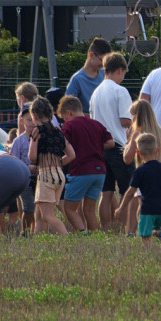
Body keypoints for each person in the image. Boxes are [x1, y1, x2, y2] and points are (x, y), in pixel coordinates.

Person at [89, 52, 134, 230]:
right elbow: (125, 120)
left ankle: (106, 227)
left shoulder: (95, 93)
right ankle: (125, 226)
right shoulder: (120, 91)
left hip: (100, 148)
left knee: (106, 192)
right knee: (127, 191)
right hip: (118, 146)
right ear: (120, 70)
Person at [115, 133, 161, 247]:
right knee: (157, 229)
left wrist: (121, 208)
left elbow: (131, 192)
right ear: (157, 150)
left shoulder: (140, 171)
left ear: (138, 153)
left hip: (147, 209)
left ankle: (150, 254)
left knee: (144, 236)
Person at [59, 95, 113, 232]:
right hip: (99, 171)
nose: (64, 120)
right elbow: (110, 143)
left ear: (68, 112)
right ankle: (94, 236)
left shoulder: (69, 126)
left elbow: (62, 146)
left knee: (69, 208)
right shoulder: (96, 123)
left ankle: (83, 234)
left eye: (64, 117)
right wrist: (95, 148)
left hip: (80, 170)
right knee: (89, 210)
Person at [122, 99, 161, 236]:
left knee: (140, 207)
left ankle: (137, 232)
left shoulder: (138, 134)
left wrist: (128, 140)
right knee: (153, 207)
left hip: (144, 172)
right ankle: (157, 231)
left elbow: (127, 159)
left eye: (132, 116)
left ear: (137, 116)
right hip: (159, 172)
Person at [27, 97, 74, 235]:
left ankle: (67, 239)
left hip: (46, 175)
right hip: (59, 175)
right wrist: (57, 165)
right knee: (40, 213)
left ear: (34, 115)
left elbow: (32, 157)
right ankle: (39, 240)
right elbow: (72, 155)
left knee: (48, 216)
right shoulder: (59, 132)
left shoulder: (37, 131)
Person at [9, 104, 39, 233]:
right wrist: (27, 167)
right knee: (28, 207)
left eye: (33, 119)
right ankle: (25, 232)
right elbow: (14, 161)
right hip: (25, 179)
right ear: (21, 121)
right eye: (28, 119)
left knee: (40, 207)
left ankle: (36, 231)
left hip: (40, 177)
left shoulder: (40, 138)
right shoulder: (18, 141)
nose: (31, 123)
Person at [65, 37, 113, 115]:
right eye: (101, 60)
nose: (103, 64)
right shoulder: (77, 79)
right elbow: (68, 107)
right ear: (91, 55)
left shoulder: (105, 74)